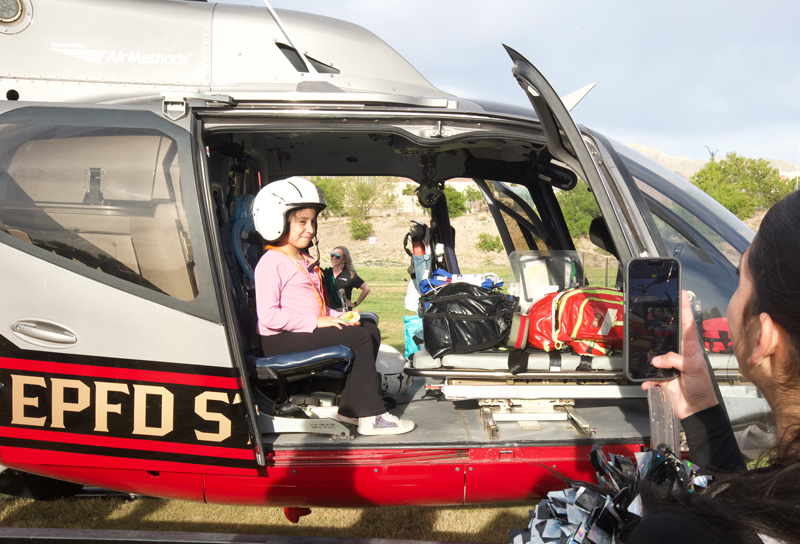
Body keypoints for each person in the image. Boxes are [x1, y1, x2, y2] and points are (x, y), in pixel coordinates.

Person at [626, 191, 800, 544]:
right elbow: (755, 511)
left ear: (762, 337)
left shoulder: (677, 537)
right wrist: (703, 411)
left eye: (739, 281)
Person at [251, 177, 414, 436]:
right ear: (276, 221)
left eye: (313, 222)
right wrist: (318, 322)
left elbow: (315, 307)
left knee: (367, 327)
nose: (311, 229)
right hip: (278, 339)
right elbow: (269, 316)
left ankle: (350, 408)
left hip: (299, 331)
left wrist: (340, 315)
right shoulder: (272, 262)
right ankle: (372, 415)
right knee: (359, 338)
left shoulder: (303, 260)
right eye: (302, 222)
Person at [330, 246, 371, 310]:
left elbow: (366, 289)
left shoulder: (350, 275)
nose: (334, 258)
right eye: (332, 255)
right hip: (329, 310)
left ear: (344, 260)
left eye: (337, 256)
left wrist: (355, 304)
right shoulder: (326, 273)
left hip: (343, 311)